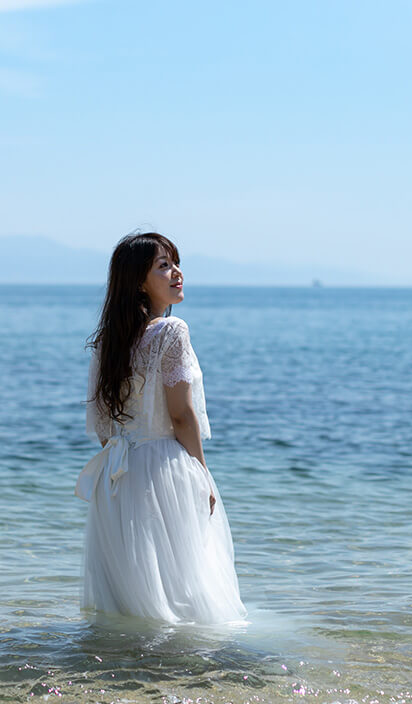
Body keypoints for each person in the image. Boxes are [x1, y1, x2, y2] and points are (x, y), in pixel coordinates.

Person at [75, 232, 246, 624]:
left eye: (175, 263)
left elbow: (103, 424)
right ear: (139, 281)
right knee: (181, 585)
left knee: (134, 591)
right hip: (164, 466)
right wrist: (201, 474)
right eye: (163, 266)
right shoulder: (171, 332)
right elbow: (183, 416)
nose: (177, 273)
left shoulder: (108, 343)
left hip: (116, 475)